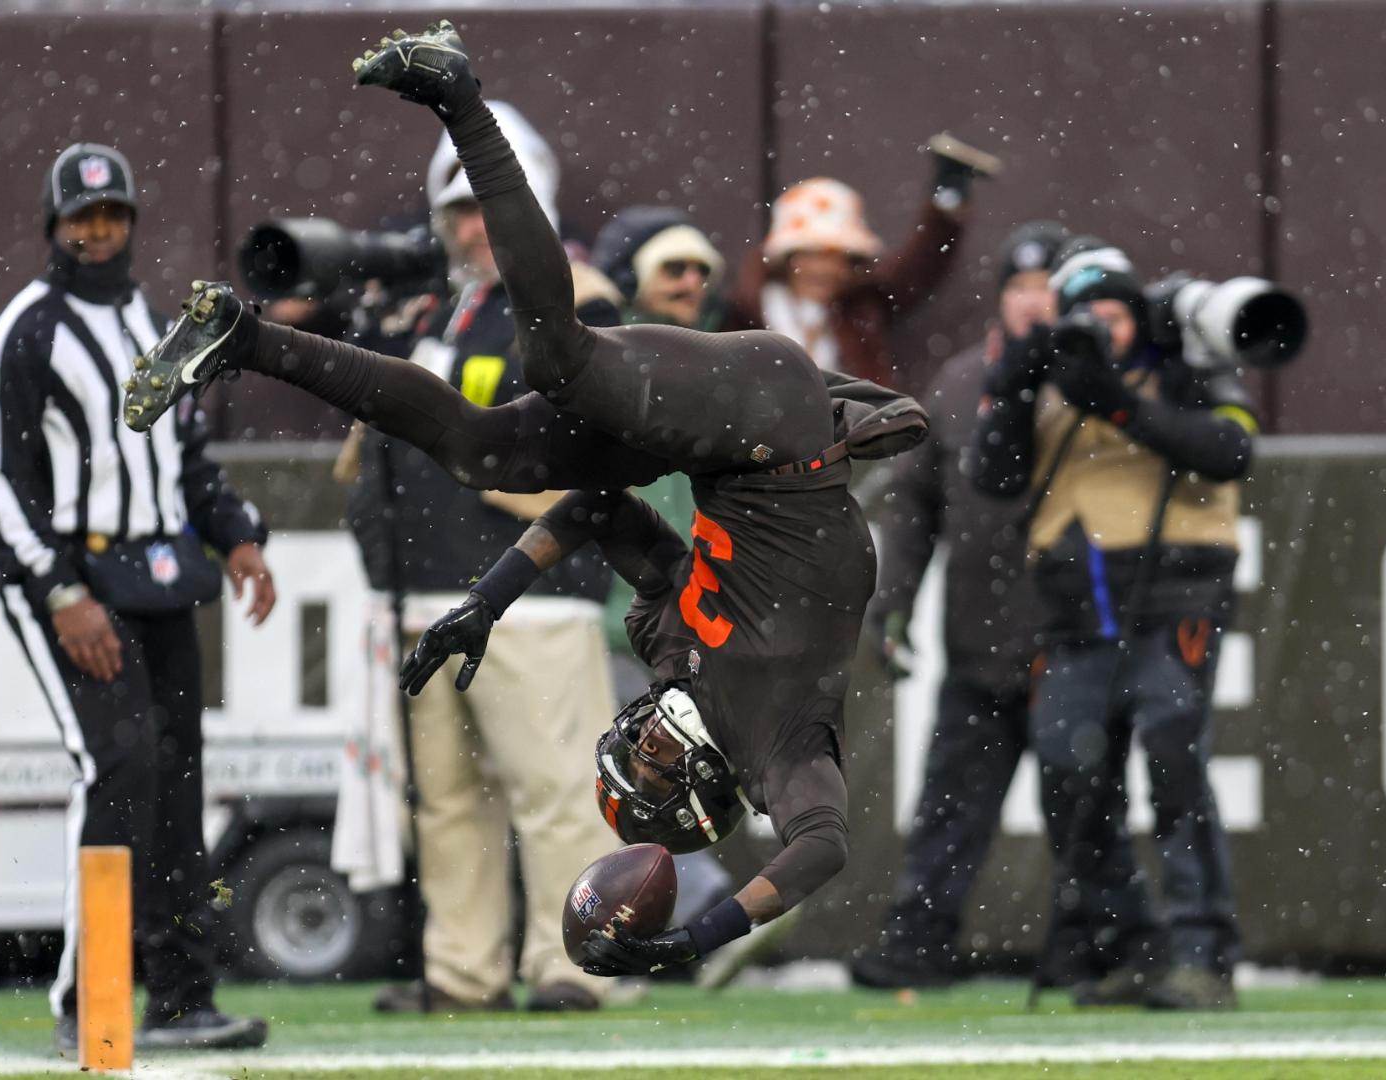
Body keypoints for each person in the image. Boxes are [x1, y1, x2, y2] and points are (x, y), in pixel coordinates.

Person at [120, 20, 929, 978]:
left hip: (735, 453)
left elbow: (596, 510)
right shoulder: (783, 749)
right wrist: (699, 937)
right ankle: (458, 93)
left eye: (639, 758)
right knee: (560, 357)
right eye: (659, 769)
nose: (646, 743)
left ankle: (242, 340)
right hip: (772, 418)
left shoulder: (675, 653)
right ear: (707, 791)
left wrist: (482, 606)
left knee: (477, 445)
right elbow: (823, 847)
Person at [0, 142, 277, 1051]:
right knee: (120, 765)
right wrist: (60, 588)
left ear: (131, 222)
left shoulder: (150, 318)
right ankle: (85, 1001)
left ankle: (180, 996)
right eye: (80, 218)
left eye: (111, 216)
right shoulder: (26, 327)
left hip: (161, 572)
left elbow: (182, 455)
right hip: (73, 579)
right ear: (54, 228)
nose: (97, 232)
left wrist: (238, 533)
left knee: (178, 779)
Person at [349, 101, 630, 1016]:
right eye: (457, 211)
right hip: (427, 588)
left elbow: (584, 460)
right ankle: (463, 972)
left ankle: (573, 964)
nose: (473, 226)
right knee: (449, 804)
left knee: (556, 793)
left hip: (533, 591)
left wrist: (456, 447)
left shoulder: (577, 301)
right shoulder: (438, 306)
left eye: (486, 206)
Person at [970, 242, 1255, 1010]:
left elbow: (1229, 449)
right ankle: (1126, 945)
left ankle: (1203, 953)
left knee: (1174, 762)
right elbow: (990, 477)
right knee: (1069, 773)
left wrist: (1121, 403)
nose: (1103, 328)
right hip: (1075, 611)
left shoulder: (1187, 365)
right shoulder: (1050, 378)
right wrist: (1017, 379)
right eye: (1086, 315)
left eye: (1117, 313)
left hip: (1175, 598)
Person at [850, 221, 1070, 990]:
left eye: (1049, 291)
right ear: (1001, 301)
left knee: (1084, 805)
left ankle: (1093, 946)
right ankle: (919, 940)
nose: (1035, 306)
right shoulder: (957, 383)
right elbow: (913, 510)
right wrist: (891, 605)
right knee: (951, 805)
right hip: (979, 637)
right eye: (1021, 290)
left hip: (1071, 641)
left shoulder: (1094, 382)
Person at [721, 161, 974, 390]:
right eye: (811, 254)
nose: (824, 268)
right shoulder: (746, 312)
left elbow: (916, 270)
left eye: (837, 257)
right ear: (786, 259)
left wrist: (945, 206)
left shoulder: (858, 309)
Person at [590, 207, 726, 331]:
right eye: (676, 268)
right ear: (633, 278)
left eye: (703, 270)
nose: (693, 283)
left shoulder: (727, 341)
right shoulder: (588, 346)